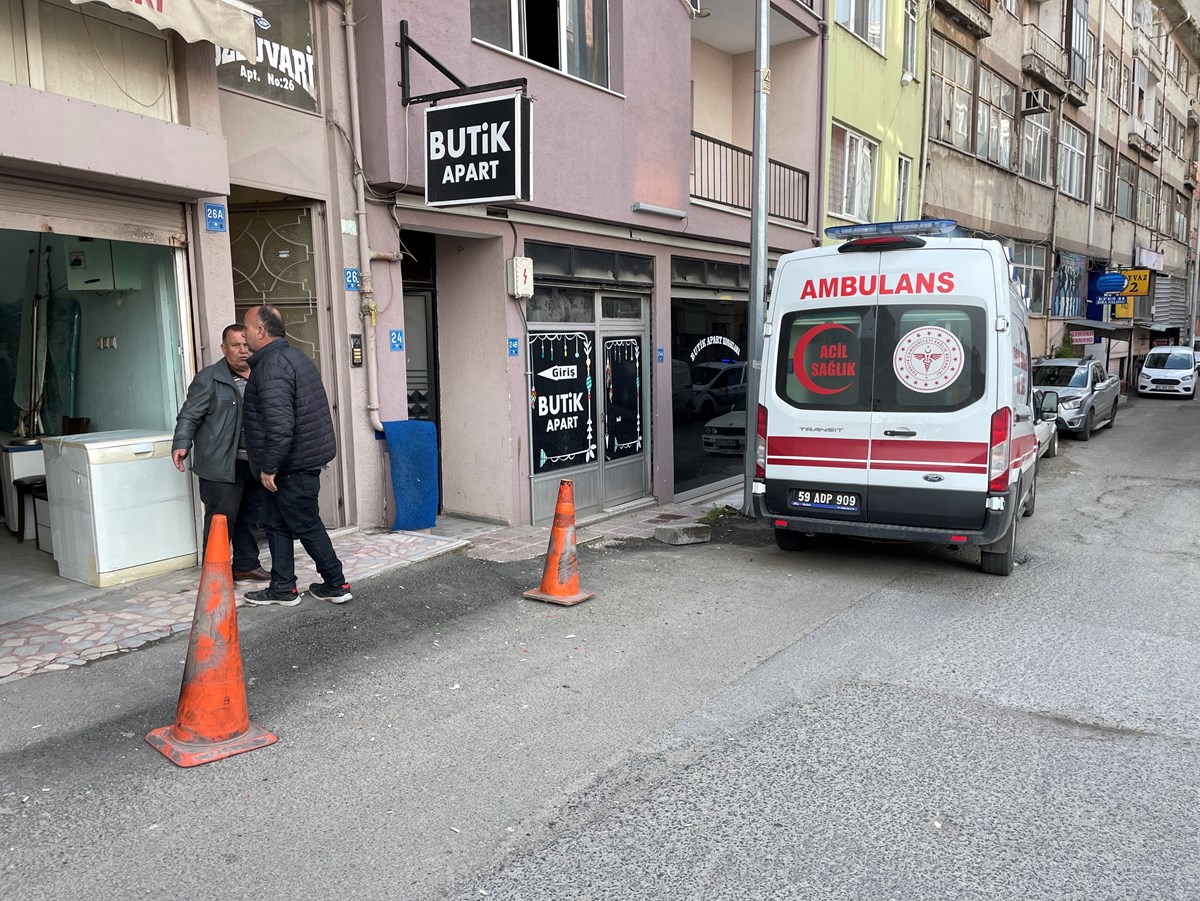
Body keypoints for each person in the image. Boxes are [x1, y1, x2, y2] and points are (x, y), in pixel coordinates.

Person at [239, 304, 351, 606]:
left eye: (247, 327)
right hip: (297, 462)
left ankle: (336, 583)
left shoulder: (272, 367)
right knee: (276, 523)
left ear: (261, 331)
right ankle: (283, 587)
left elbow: (280, 424)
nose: (244, 333)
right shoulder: (293, 357)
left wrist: (269, 466)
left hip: (290, 466)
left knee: (306, 524)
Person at [171, 324, 268, 582]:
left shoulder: (263, 374)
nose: (243, 351)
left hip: (255, 462)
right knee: (220, 520)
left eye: (246, 344)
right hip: (222, 463)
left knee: (250, 517)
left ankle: (245, 564)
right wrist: (182, 442)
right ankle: (214, 573)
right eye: (235, 345)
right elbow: (189, 414)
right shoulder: (209, 378)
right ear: (224, 348)